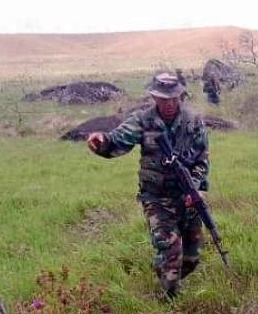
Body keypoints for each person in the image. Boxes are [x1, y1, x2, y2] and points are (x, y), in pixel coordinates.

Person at [86, 72, 210, 299]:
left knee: (191, 258)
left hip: (188, 197)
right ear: (154, 97)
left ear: (181, 96)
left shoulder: (193, 121)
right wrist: (102, 142)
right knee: (171, 253)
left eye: (174, 98)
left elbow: (202, 158)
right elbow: (117, 140)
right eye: (163, 99)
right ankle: (170, 302)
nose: (169, 103)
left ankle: (165, 272)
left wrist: (197, 187)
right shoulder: (142, 120)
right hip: (157, 198)